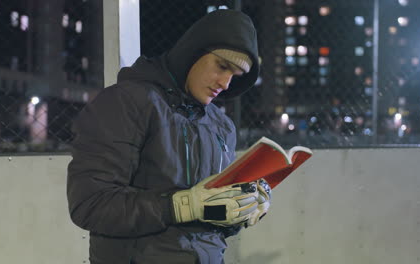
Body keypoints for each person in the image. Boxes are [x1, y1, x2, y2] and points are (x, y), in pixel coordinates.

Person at [67, 9, 271, 264]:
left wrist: (240, 209)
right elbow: (91, 204)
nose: (226, 83)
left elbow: (212, 224)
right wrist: (184, 205)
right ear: (193, 52)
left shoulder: (221, 126)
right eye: (222, 66)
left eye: (234, 76)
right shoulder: (127, 102)